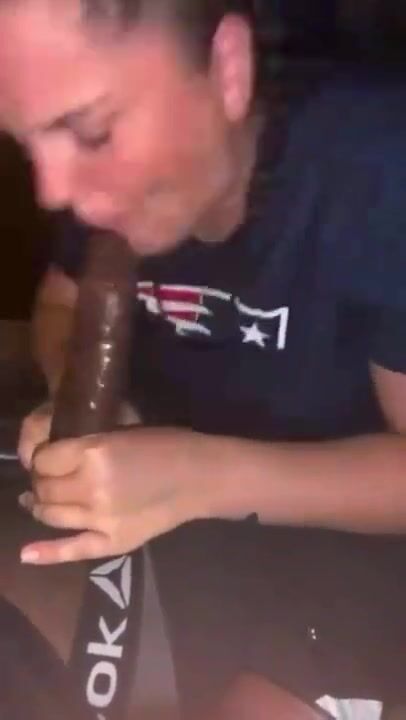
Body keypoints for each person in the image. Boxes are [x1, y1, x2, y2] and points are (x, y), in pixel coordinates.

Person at [1, 0, 406, 716]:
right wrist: (84, 404)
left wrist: (201, 475)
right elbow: (64, 302)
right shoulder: (100, 190)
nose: (53, 191)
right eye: (28, 142)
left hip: (360, 554)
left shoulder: (377, 168)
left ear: (227, 67)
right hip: (175, 521)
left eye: (91, 131)